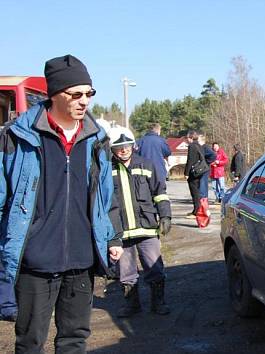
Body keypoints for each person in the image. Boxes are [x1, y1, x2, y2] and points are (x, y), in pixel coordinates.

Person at [0, 54, 123, 353]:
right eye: (76, 94)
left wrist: (113, 236)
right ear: (55, 94)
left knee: (74, 341)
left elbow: (107, 195)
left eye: (89, 94)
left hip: (81, 261)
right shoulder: (18, 138)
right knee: (29, 343)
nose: (85, 101)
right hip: (34, 263)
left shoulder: (97, 141)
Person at [108, 127, 172, 317]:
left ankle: (158, 303)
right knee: (126, 272)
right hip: (121, 232)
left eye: (126, 146)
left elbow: (160, 192)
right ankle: (132, 305)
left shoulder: (147, 165)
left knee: (155, 267)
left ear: (132, 145)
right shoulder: (106, 170)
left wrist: (166, 215)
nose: (124, 150)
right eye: (119, 147)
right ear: (112, 149)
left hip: (147, 228)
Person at [184, 130, 206, 217]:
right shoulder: (199, 145)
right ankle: (196, 209)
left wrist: (186, 173)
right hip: (200, 171)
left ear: (191, 138)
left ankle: (196, 210)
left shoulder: (192, 146)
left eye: (188, 138)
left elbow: (190, 160)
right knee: (197, 191)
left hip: (194, 172)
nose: (187, 140)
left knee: (194, 192)